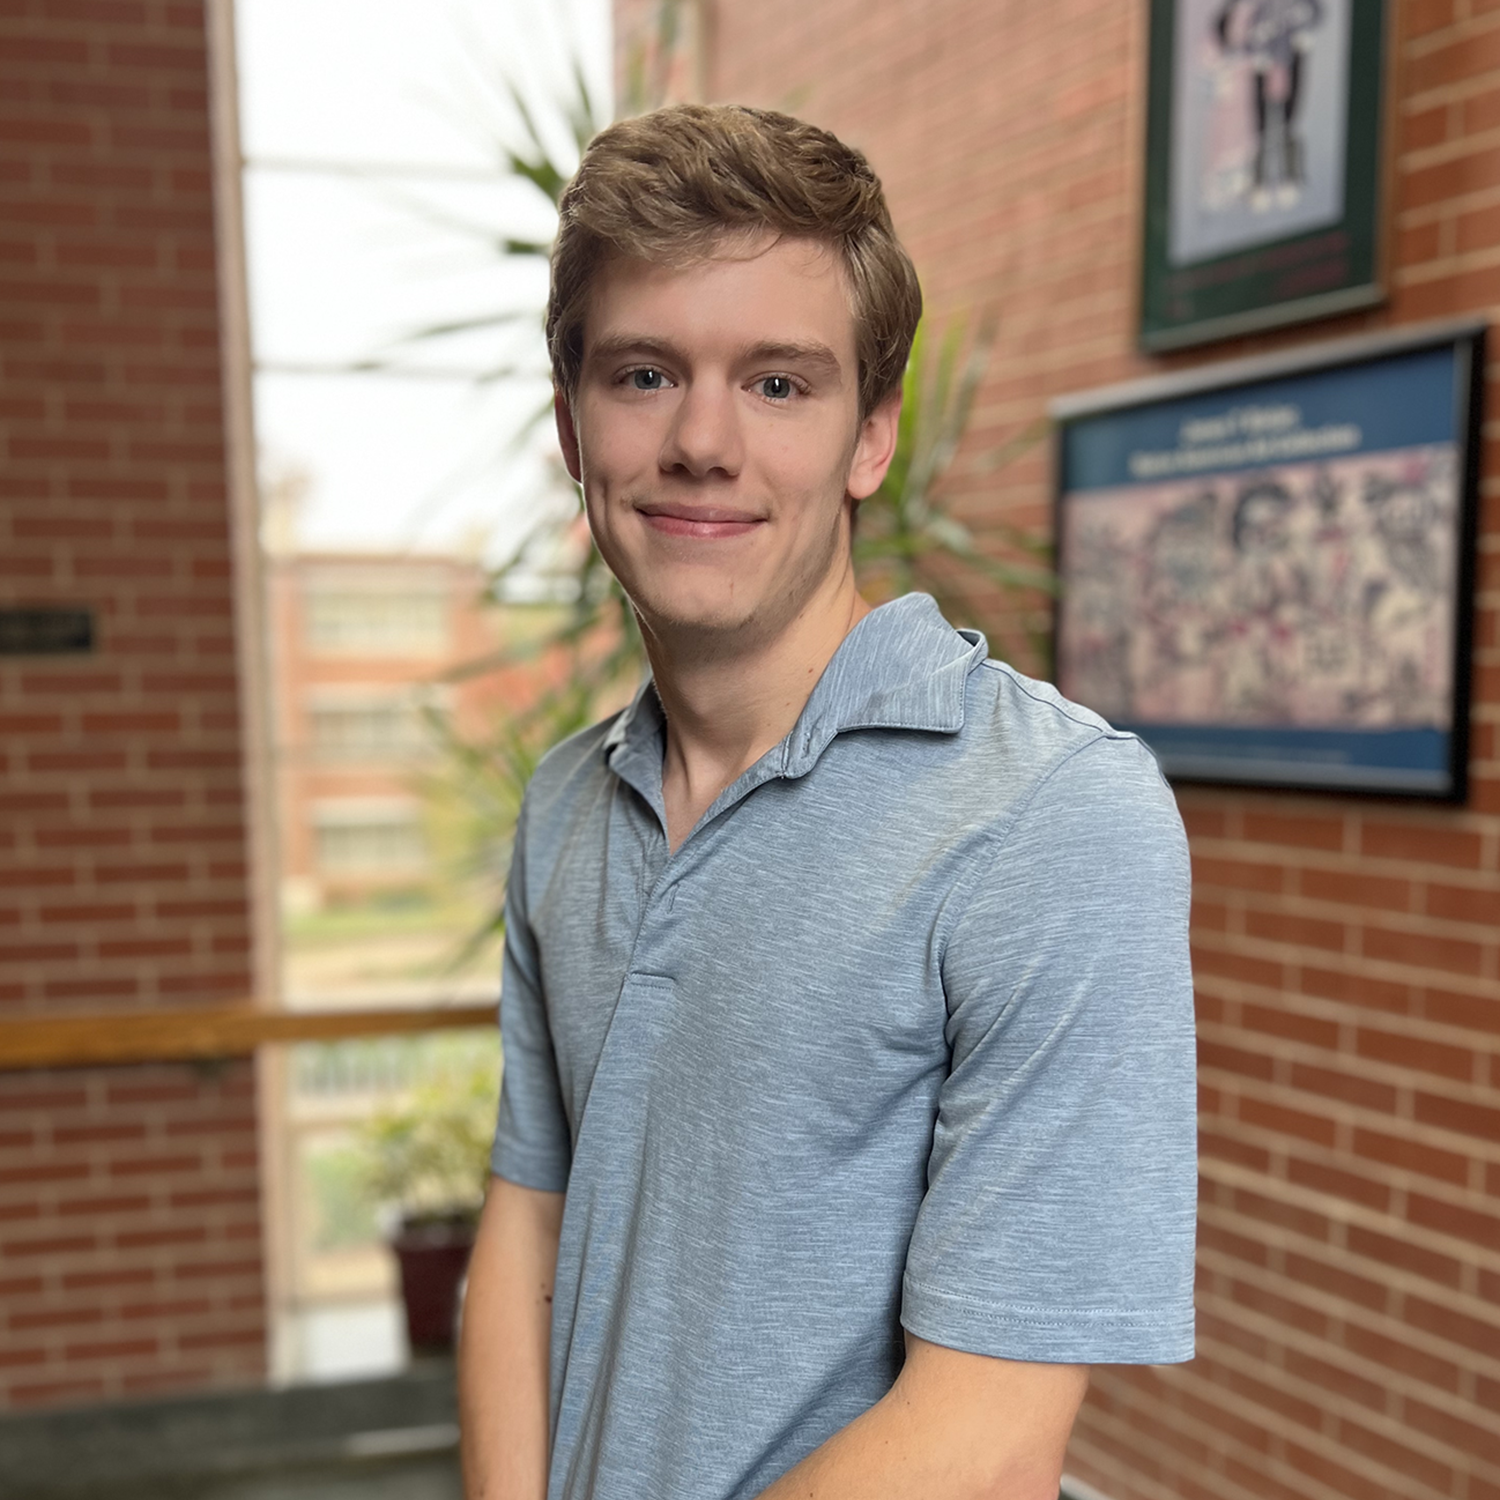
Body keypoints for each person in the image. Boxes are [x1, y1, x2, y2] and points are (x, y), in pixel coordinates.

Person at [458, 103, 1198, 1500]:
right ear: (572, 426)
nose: (704, 442)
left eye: (780, 385)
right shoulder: (566, 802)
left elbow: (985, 1441)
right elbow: (527, 1227)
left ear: (872, 437)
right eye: (643, 375)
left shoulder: (1051, 816)